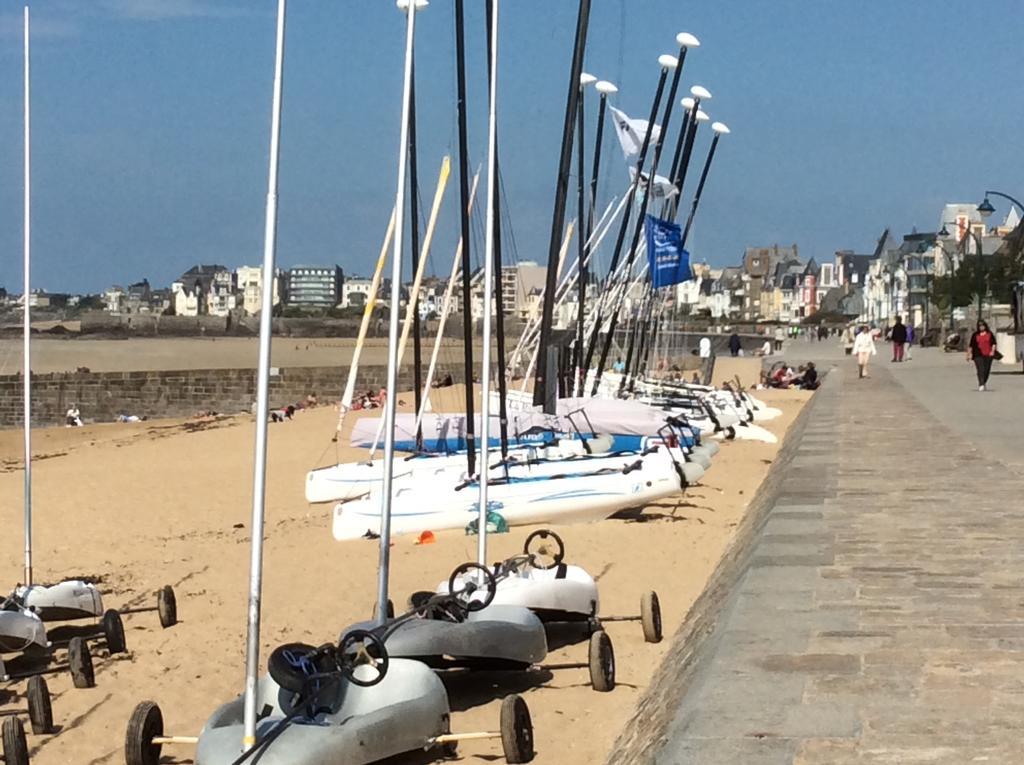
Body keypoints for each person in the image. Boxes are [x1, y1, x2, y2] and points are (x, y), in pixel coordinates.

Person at [967, 319, 998, 391]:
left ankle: (984, 382)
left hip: (988, 354)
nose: (981, 327)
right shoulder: (975, 335)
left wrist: (992, 351)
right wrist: (968, 354)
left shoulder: (989, 334)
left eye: (982, 326)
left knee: (986, 370)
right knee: (980, 369)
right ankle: (981, 384)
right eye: (979, 326)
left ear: (985, 326)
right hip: (977, 354)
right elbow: (971, 345)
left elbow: (993, 343)